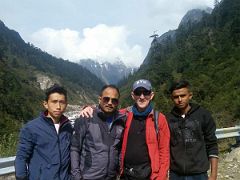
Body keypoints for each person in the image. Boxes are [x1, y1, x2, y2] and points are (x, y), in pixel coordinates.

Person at [80, 79, 170, 180]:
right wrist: (90, 108)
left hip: (149, 175)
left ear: (152, 95)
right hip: (126, 174)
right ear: (132, 95)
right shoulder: (124, 115)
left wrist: (161, 177)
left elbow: (164, 152)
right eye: (138, 93)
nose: (142, 97)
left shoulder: (159, 119)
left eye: (146, 93)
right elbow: (107, 109)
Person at [15, 84, 73, 180]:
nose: (58, 106)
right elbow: (21, 157)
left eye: (62, 102)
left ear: (66, 104)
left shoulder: (68, 127)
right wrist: (21, 178)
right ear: (45, 104)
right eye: (54, 102)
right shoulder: (31, 128)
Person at [70, 85, 126, 180]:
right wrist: (76, 176)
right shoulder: (86, 118)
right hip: (88, 177)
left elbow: (119, 149)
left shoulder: (121, 121)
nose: (110, 103)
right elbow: (74, 148)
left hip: (111, 177)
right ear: (100, 99)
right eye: (106, 99)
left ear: (118, 102)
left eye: (114, 100)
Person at [167, 80, 218, 180]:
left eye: (183, 95)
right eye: (176, 97)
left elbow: (212, 144)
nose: (180, 99)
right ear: (172, 98)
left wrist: (213, 175)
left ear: (190, 95)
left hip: (199, 174)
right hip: (176, 174)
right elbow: (165, 147)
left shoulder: (203, 115)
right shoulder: (168, 119)